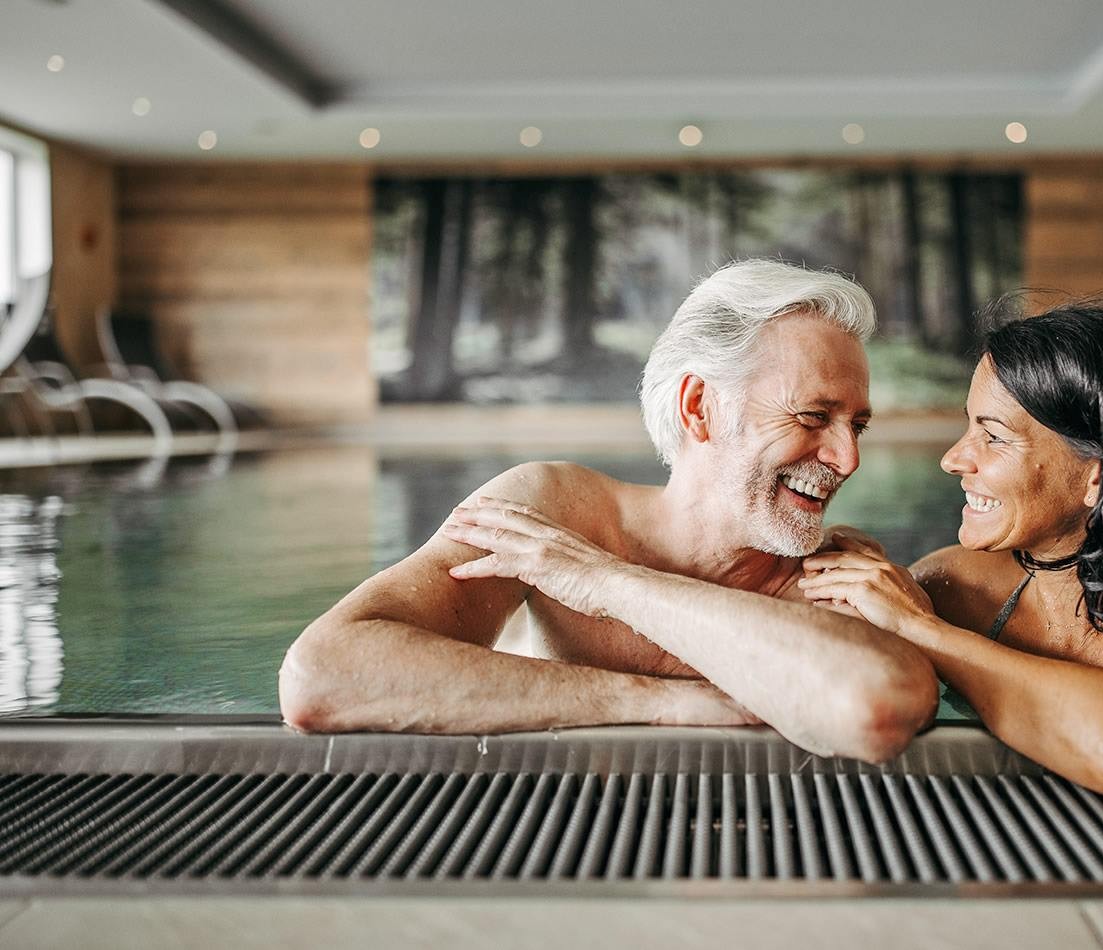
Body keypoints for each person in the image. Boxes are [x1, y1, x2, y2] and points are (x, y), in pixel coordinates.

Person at [279, 260, 937, 763]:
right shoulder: (554, 514)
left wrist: (607, 584)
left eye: (858, 425)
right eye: (814, 416)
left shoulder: (837, 575)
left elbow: (875, 708)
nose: (847, 459)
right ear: (697, 408)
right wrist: (657, 702)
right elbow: (322, 676)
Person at [797, 298, 1103, 798]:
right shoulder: (961, 585)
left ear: (1097, 477)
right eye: (968, 426)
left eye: (993, 437)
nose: (953, 459)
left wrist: (921, 630)